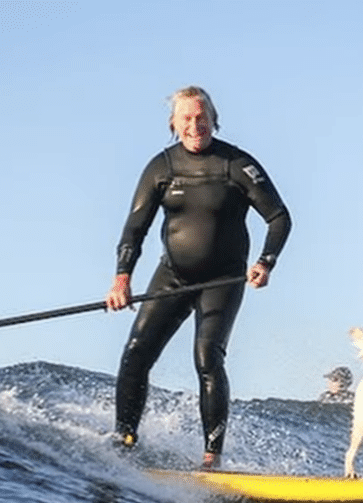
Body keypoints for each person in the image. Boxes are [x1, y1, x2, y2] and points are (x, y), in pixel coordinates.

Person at [105, 86, 293, 469]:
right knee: (136, 352)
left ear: (213, 119)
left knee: (207, 357)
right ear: (174, 123)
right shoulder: (161, 167)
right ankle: (124, 438)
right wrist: (122, 279)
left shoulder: (236, 164)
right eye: (186, 118)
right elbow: (134, 229)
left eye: (201, 117)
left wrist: (265, 262)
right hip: (172, 277)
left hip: (221, 282)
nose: (195, 125)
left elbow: (279, 217)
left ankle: (211, 457)